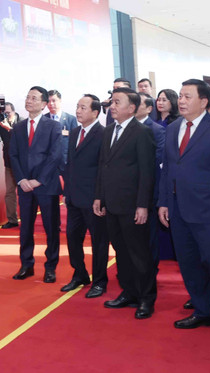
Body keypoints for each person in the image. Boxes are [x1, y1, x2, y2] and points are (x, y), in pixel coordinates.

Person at [158, 79, 210, 333]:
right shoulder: (173, 128)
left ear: (204, 101)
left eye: (187, 96)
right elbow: (167, 169)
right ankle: (202, 310)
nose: (181, 101)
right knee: (189, 264)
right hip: (178, 209)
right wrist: (164, 202)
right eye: (180, 96)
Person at [93, 88, 157, 320]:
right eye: (112, 102)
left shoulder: (142, 132)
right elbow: (103, 165)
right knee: (121, 251)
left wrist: (142, 205)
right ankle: (129, 292)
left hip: (132, 205)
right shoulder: (109, 130)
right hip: (112, 203)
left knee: (139, 253)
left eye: (117, 102)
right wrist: (99, 196)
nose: (112, 106)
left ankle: (146, 298)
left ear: (131, 108)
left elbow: (147, 172)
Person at [8, 86, 64, 283]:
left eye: (34, 98)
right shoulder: (18, 127)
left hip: (46, 185)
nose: (29, 101)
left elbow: (55, 156)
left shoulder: (53, 126)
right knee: (25, 228)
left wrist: (38, 180)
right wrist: (22, 179)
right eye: (27, 97)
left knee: (51, 228)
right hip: (24, 186)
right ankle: (26, 265)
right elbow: (13, 155)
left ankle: (51, 267)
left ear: (43, 104)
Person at [60, 94, 109, 297]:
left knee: (99, 242)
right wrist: (66, 192)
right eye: (77, 106)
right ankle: (79, 274)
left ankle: (99, 281)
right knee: (72, 238)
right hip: (73, 197)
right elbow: (70, 165)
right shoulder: (74, 133)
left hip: (94, 199)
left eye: (83, 108)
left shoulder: (104, 134)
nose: (78, 111)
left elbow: (104, 169)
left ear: (95, 112)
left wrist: (100, 197)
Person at [136, 93, 166, 271]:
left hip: (149, 190)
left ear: (149, 108)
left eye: (138, 103)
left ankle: (150, 270)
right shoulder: (124, 128)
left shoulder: (156, 130)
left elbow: (157, 160)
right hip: (128, 191)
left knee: (149, 235)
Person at [0, 101, 20, 229]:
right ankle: (12, 220)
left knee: (25, 193)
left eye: (8, 113)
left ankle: (28, 219)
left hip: (23, 164)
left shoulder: (22, 122)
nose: (6, 115)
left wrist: (8, 127)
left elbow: (21, 140)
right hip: (9, 162)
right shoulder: (1, 122)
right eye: (3, 113)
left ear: (14, 111)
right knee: (9, 192)